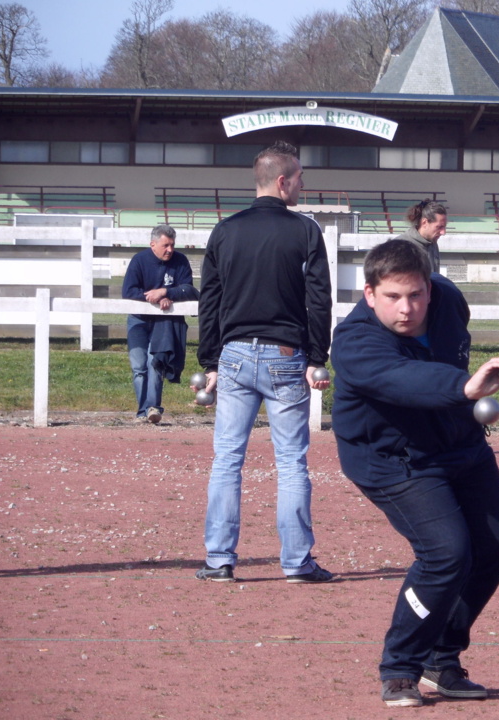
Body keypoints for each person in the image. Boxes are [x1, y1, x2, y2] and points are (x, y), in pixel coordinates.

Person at [330, 239, 499, 707]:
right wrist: (464, 386)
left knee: (495, 548)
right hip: (393, 460)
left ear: (429, 289)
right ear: (370, 293)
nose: (407, 308)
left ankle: (441, 657)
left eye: (416, 294)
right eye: (393, 297)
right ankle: (400, 668)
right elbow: (401, 380)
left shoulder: (448, 298)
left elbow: (453, 343)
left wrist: (461, 396)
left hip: (461, 447)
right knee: (446, 553)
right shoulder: (354, 340)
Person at [194, 140, 334, 584]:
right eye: (299, 178)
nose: (303, 184)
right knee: (291, 461)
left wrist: (210, 359)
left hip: (233, 355)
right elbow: (319, 300)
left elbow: (209, 301)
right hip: (285, 356)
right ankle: (296, 563)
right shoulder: (306, 231)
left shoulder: (224, 230)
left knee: (227, 459)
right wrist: (317, 356)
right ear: (282, 181)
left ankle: (219, 561)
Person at [121, 224, 199, 424]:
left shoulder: (180, 261)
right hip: (138, 320)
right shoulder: (139, 260)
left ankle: (153, 408)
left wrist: (166, 293)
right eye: (165, 245)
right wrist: (153, 298)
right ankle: (142, 411)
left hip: (164, 322)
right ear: (153, 244)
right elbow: (128, 291)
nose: (170, 250)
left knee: (155, 362)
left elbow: (189, 290)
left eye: (172, 245)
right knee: (139, 367)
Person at [395, 199, 447, 273]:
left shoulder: (432, 243)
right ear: (424, 222)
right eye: (439, 227)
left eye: (444, 227)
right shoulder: (400, 247)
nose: (443, 232)